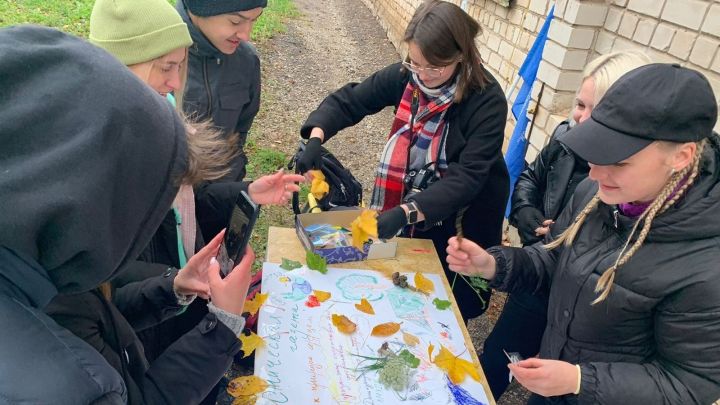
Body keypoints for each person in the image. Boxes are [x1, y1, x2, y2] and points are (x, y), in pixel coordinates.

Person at [0, 25, 250, 403]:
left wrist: (172, 289)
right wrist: (222, 327)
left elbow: (98, 314)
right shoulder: (78, 388)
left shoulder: (41, 257)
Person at [447, 63, 720, 404]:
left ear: (681, 157)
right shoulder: (597, 194)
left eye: (618, 161)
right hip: (555, 387)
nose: (593, 170)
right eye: (595, 152)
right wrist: (493, 264)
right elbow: (555, 260)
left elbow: (689, 384)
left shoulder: (706, 264)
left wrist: (580, 380)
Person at [87, 0, 303, 366]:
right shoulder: (101, 157)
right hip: (144, 318)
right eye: (165, 67)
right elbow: (104, 273)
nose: (175, 82)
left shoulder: (163, 113)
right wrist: (175, 280)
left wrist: (245, 191)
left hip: (183, 286)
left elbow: (188, 198)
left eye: (181, 66)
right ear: (117, 68)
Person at [296, 0, 509, 321]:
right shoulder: (407, 78)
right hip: (414, 207)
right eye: (414, 62)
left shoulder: (487, 99)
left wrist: (406, 211)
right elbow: (352, 100)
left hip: (466, 217)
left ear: (461, 56)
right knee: (405, 284)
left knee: (449, 302)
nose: (422, 74)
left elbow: (466, 178)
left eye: (434, 67)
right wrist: (316, 137)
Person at [482, 51, 651, 400]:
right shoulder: (564, 139)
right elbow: (529, 178)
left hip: (580, 313)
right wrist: (528, 220)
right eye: (579, 104)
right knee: (500, 357)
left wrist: (575, 381)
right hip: (539, 278)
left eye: (596, 109)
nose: (581, 118)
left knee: (549, 377)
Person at [176, 0, 266, 183]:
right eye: (235, 21)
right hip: (171, 195)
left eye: (254, 20)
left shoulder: (247, 61)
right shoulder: (157, 58)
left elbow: (241, 127)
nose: (246, 35)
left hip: (221, 190)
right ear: (200, 9)